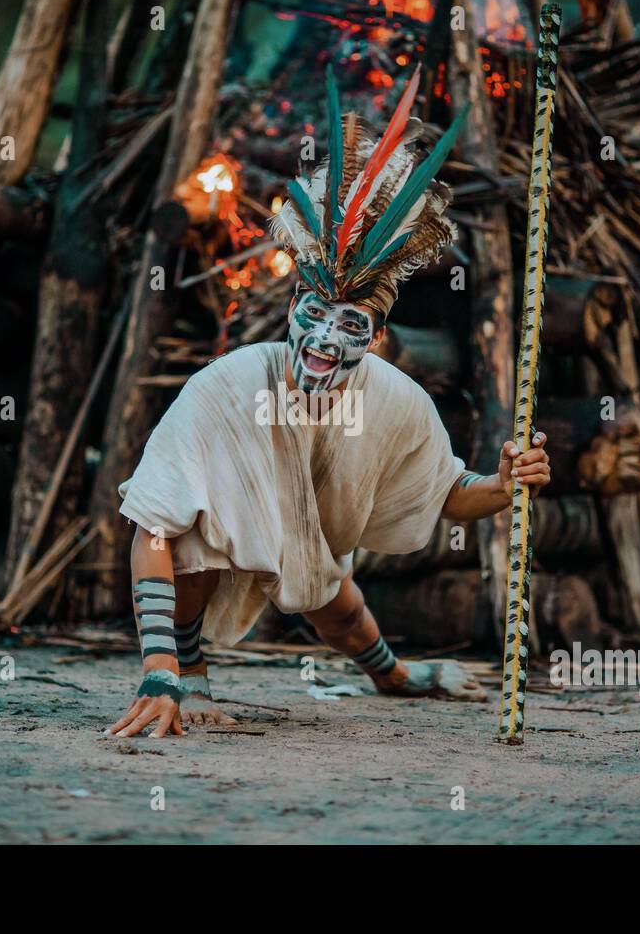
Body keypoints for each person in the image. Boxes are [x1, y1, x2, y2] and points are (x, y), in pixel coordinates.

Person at [109, 73, 550, 738]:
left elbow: (450, 491)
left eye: (349, 326)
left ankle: (396, 675)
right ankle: (193, 676)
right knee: (194, 540)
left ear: (375, 338)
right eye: (313, 315)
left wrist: (505, 485)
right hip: (200, 573)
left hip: (311, 548)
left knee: (334, 607)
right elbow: (152, 524)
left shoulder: (396, 400)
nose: (321, 340)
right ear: (291, 307)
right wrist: (160, 670)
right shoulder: (228, 387)